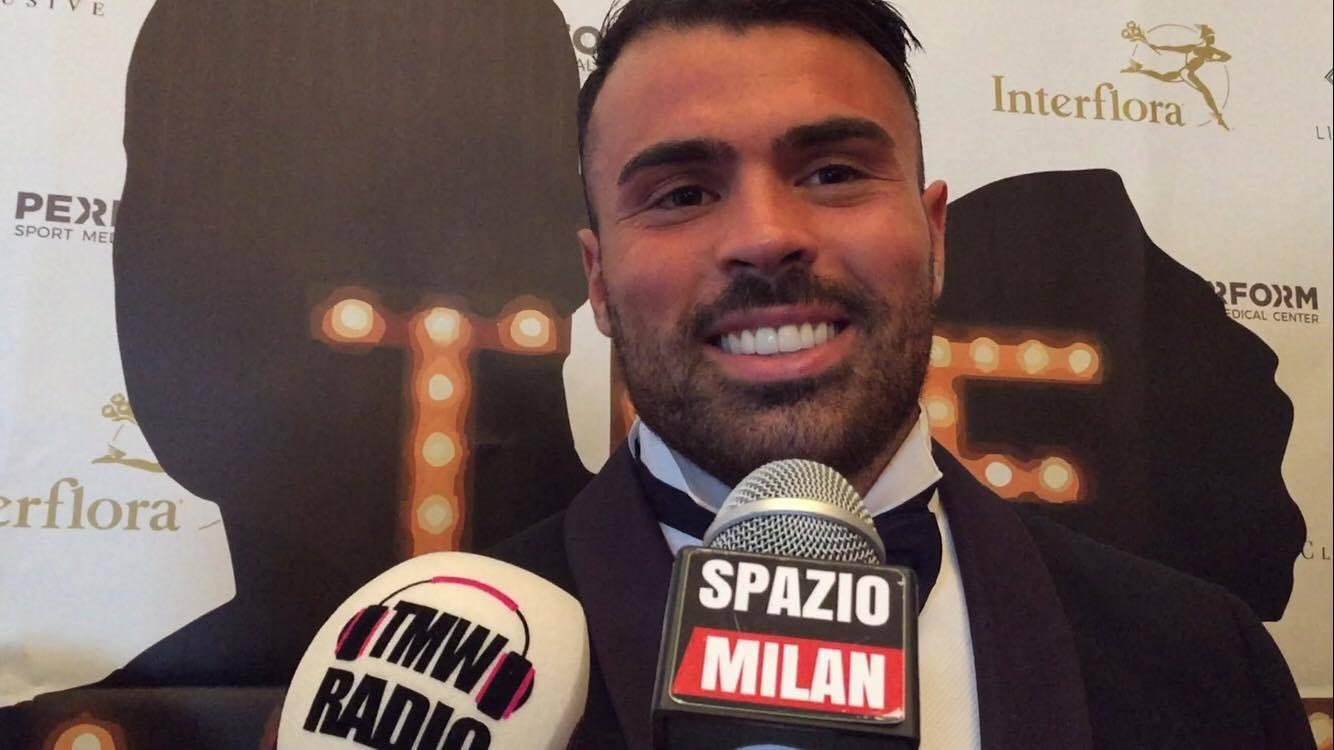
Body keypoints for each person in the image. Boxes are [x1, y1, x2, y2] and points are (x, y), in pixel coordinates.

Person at [490, 1, 1312, 748]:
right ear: (599, 282)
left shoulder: (1211, 664)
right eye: (681, 194)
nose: (766, 236)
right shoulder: (455, 671)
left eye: (833, 173)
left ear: (934, 237)